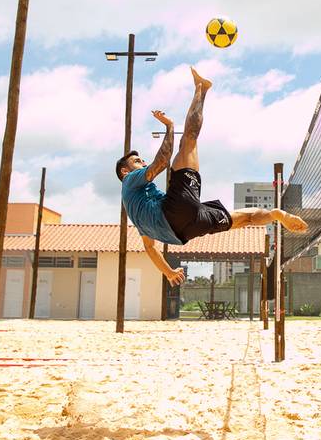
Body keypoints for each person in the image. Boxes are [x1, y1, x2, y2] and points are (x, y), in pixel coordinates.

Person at [116, 67, 308, 287]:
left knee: (243, 219)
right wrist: (169, 126)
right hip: (175, 213)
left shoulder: (138, 213)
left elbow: (149, 248)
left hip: (185, 231)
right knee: (188, 141)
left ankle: (276, 214)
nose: (141, 162)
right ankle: (201, 88)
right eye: (136, 161)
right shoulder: (130, 181)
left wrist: (169, 272)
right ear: (125, 172)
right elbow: (161, 161)